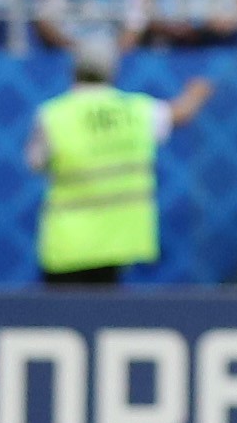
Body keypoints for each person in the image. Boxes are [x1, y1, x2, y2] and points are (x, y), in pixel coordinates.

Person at [28, 36, 211, 284]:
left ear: (74, 69)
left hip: (68, 244)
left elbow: (35, 162)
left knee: (60, 320)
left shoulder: (54, 115)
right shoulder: (136, 111)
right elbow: (180, 114)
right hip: (117, 240)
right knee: (105, 318)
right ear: (112, 70)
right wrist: (197, 92)